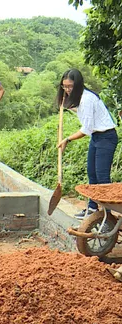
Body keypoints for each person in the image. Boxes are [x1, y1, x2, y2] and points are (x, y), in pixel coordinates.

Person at [57, 69, 118, 220]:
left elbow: (87, 129)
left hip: (106, 137)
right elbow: (76, 110)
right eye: (64, 86)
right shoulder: (79, 98)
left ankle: (106, 215)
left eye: (70, 86)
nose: (67, 90)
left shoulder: (87, 99)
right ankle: (92, 208)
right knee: (92, 173)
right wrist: (63, 101)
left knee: (102, 177)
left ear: (78, 85)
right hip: (97, 137)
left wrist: (67, 139)